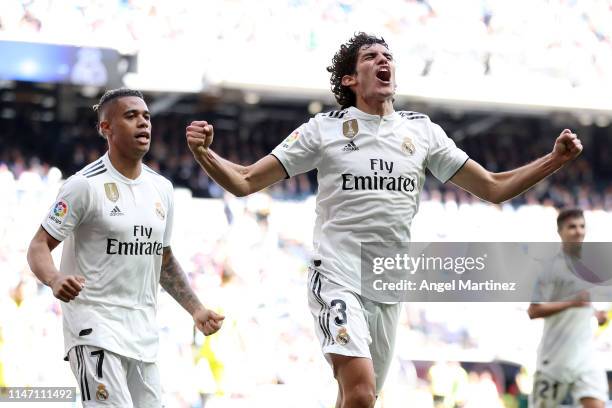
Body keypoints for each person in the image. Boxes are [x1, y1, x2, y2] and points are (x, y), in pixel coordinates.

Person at [185, 33, 583, 408]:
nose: (383, 60)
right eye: (371, 57)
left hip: (389, 284)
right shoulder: (324, 130)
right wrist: (205, 153)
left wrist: (555, 160)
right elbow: (246, 180)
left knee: (358, 398)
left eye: (388, 56)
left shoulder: (422, 132)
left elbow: (493, 187)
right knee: (360, 393)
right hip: (337, 274)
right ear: (350, 78)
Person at [27, 88, 224, 407]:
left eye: (146, 116)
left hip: (143, 334)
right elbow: (38, 245)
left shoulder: (163, 189)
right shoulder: (83, 185)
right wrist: (54, 278)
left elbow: (163, 257)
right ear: (106, 128)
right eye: (131, 116)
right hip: (94, 329)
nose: (143, 123)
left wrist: (196, 309)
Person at [528, 208, 608, 408]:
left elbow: (583, 304)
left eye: (582, 226)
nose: (579, 231)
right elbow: (533, 311)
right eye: (572, 227)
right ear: (560, 232)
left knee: (596, 405)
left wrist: (595, 314)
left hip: (585, 356)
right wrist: (572, 302)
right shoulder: (548, 268)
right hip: (554, 358)